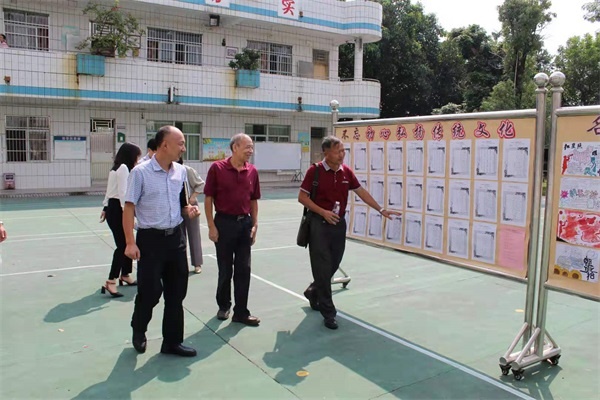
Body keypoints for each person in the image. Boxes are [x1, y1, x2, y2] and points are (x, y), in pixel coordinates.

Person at [298, 136, 400, 330]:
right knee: (322, 266)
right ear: (326, 152)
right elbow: (302, 197)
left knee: (334, 263)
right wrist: (323, 212)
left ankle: (313, 290)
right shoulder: (315, 171)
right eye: (338, 151)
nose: (342, 154)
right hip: (319, 224)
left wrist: (381, 210)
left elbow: (361, 192)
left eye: (343, 150)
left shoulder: (346, 172)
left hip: (338, 224)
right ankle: (329, 313)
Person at [124, 125, 201, 357]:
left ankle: (172, 342)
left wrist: (188, 210)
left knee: (176, 293)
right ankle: (139, 329)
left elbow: (181, 202)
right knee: (150, 291)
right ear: (164, 145)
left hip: (176, 239)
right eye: (181, 143)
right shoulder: (140, 173)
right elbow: (129, 208)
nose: (183, 148)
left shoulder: (180, 171)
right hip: (150, 240)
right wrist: (130, 242)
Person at [204, 133, 261, 326]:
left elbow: (253, 200)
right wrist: (211, 226)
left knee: (244, 269)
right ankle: (224, 305)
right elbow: (208, 198)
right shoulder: (217, 168)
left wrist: (255, 224)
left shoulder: (252, 171)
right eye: (247, 147)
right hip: (224, 224)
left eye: (251, 147)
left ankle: (241, 312)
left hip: (244, 224)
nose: (250, 151)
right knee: (225, 268)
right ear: (235, 147)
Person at [100, 142, 141, 297]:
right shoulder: (123, 168)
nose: (137, 160)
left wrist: (105, 207)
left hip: (113, 207)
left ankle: (125, 274)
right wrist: (129, 214)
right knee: (123, 245)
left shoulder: (115, 168)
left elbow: (109, 191)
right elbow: (123, 193)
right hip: (119, 209)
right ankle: (111, 280)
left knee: (127, 241)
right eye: (136, 156)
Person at [178, 157, 205, 274]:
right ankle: (181, 264)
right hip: (177, 207)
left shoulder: (187, 170)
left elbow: (201, 184)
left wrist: (193, 197)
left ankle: (197, 263)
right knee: (179, 236)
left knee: (194, 234)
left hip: (191, 205)